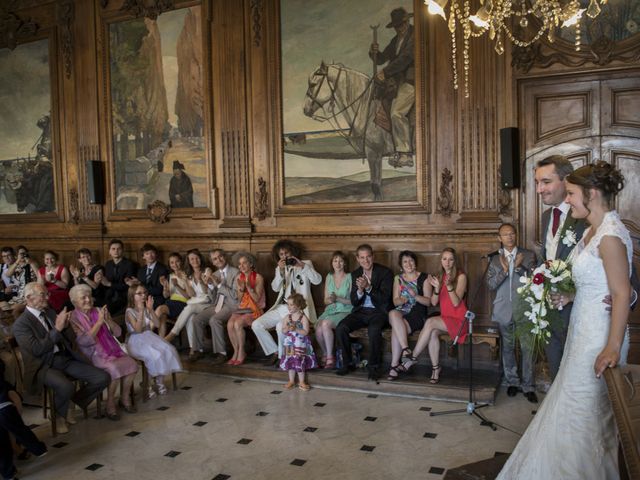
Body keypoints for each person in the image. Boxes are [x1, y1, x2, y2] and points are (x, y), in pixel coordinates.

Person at [497, 162, 634, 479]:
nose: (568, 199)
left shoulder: (611, 236)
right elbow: (592, 278)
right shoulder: (591, 230)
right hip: (580, 330)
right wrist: (572, 296)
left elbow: (623, 293)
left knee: (586, 411)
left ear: (593, 193)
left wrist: (612, 347)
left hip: (599, 337)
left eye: (572, 193)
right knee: (572, 408)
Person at [12, 282, 110, 434]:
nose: (47, 297)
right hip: (44, 365)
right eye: (43, 294)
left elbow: (68, 339)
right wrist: (57, 329)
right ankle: (58, 415)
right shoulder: (21, 324)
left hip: (64, 357)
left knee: (102, 377)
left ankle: (71, 401)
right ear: (29, 298)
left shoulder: (50, 312)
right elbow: (37, 350)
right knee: (66, 386)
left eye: (47, 294)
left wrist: (66, 326)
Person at [534, 155, 587, 381]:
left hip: (579, 316)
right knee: (557, 378)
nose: (539, 189)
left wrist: (572, 295)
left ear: (566, 181)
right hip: (551, 314)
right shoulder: (547, 217)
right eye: (537, 183)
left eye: (545, 182)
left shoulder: (587, 217)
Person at [68, 285, 138, 420]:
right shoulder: (73, 318)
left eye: (89, 296)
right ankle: (110, 404)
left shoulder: (99, 310)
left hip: (111, 350)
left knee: (132, 365)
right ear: (74, 301)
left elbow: (118, 333)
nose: (88, 300)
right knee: (114, 369)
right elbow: (85, 342)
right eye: (83, 298)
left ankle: (124, 399)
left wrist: (109, 321)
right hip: (90, 353)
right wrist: (99, 323)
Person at [485, 224, 538, 403]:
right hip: (503, 310)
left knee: (527, 349)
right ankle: (512, 382)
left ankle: (528, 385)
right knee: (507, 348)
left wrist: (517, 267)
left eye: (512, 233)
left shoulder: (529, 255)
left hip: (525, 310)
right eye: (505, 234)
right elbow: (491, 285)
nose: (510, 237)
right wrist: (506, 269)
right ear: (499, 238)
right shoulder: (493, 259)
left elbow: (534, 281)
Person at [251, 240, 322, 366]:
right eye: (281, 254)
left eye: (286, 253)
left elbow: (317, 280)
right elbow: (275, 288)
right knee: (256, 324)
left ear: (292, 252)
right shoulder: (280, 268)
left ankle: (283, 358)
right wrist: (281, 272)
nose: (284, 256)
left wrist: (303, 267)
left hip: (298, 309)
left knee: (280, 327)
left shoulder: (305, 264)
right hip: (282, 306)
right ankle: (275, 352)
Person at [404, 248, 468, 384]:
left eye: (451, 259)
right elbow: (433, 302)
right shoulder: (439, 277)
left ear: (455, 261)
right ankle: (435, 368)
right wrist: (438, 289)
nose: (447, 262)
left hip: (459, 320)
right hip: (445, 319)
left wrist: (449, 286)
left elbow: (456, 303)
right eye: (444, 259)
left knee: (431, 322)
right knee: (432, 332)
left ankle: (413, 357)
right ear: (441, 261)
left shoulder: (461, 276)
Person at [335, 244, 393, 380]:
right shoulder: (355, 274)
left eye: (368, 257)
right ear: (357, 258)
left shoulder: (385, 272)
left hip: (379, 312)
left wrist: (368, 287)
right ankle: (348, 363)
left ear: (373, 257)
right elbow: (354, 301)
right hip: (360, 311)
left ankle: (374, 367)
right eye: (362, 257)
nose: (365, 261)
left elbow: (384, 299)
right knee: (341, 327)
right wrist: (360, 291)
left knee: (374, 330)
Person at [369, 7, 415, 168]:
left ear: (407, 21)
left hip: (412, 81)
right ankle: (392, 147)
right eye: (396, 26)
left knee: (396, 112)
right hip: (398, 82)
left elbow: (405, 58)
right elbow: (382, 59)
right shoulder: (395, 40)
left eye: (401, 24)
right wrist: (374, 52)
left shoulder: (415, 36)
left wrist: (385, 72)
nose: (399, 28)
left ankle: (406, 154)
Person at [125, 285, 182, 397]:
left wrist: (150, 310)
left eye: (144, 292)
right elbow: (137, 329)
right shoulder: (129, 311)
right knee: (154, 355)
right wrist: (141, 312)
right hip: (136, 339)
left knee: (168, 349)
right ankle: (147, 384)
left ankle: (159, 382)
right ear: (132, 296)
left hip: (149, 336)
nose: (143, 295)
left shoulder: (146, 308)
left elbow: (156, 324)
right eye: (139, 293)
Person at [386, 250, 430, 381]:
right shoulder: (397, 279)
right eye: (405, 261)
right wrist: (401, 300)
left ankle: (394, 365)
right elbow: (395, 301)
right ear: (401, 265)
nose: (408, 264)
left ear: (415, 263)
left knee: (396, 328)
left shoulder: (425, 278)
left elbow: (428, 302)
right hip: (402, 311)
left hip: (417, 313)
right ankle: (406, 350)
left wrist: (414, 295)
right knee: (392, 313)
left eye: (411, 260)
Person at [1, 358, 47, 480]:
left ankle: (8, 474)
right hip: (5, 406)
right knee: (19, 430)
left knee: (2, 445)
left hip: (5, 404)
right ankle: (38, 449)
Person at [191, 249, 240, 364]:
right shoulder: (215, 274)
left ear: (225, 257)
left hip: (232, 305)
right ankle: (198, 349)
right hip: (218, 304)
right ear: (212, 262)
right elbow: (213, 298)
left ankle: (221, 353)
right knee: (197, 319)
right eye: (215, 259)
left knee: (214, 319)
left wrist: (218, 284)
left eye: (220, 257)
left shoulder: (236, 272)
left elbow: (234, 296)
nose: (218, 260)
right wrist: (209, 285)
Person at [164, 249, 211, 362]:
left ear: (201, 258)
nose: (195, 261)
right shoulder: (189, 275)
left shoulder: (207, 270)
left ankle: (172, 334)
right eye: (192, 259)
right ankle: (194, 350)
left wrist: (200, 280)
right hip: (195, 302)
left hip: (207, 302)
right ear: (189, 261)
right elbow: (191, 295)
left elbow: (206, 292)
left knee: (190, 307)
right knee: (190, 317)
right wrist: (185, 281)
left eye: (197, 258)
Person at [226, 252, 265, 365]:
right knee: (230, 324)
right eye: (239, 264)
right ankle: (236, 351)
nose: (241, 266)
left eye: (244, 263)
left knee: (238, 323)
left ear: (251, 264)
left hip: (255, 309)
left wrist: (248, 287)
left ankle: (242, 352)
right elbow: (239, 298)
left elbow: (257, 299)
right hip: (242, 309)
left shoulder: (258, 277)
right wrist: (241, 289)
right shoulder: (239, 277)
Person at [314, 251, 352, 369]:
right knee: (318, 328)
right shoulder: (329, 277)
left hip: (345, 310)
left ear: (345, 263)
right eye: (335, 261)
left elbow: (353, 302)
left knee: (325, 324)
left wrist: (338, 299)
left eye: (341, 260)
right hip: (330, 310)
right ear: (332, 263)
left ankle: (330, 357)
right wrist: (330, 300)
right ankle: (325, 352)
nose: (338, 263)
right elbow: (325, 300)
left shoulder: (350, 277)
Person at [280, 293, 317, 391]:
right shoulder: (287, 317)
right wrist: (287, 328)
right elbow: (283, 330)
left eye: (291, 305)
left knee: (300, 362)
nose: (289, 307)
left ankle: (301, 381)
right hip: (289, 344)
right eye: (288, 304)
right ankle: (291, 381)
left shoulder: (303, 318)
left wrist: (296, 329)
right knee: (291, 362)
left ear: (299, 306)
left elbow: (306, 332)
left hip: (300, 344)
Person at [135, 243, 169, 336]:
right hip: (142, 299)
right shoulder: (141, 270)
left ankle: (143, 336)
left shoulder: (162, 269)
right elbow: (139, 288)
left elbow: (159, 290)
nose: (150, 255)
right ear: (143, 257)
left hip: (157, 299)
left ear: (156, 254)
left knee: (162, 315)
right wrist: (135, 285)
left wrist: (141, 285)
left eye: (152, 253)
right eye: (147, 253)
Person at [102, 239, 138, 315]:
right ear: (109, 251)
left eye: (119, 249)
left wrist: (110, 284)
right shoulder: (108, 264)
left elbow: (128, 286)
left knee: (107, 313)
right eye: (113, 249)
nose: (116, 251)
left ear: (122, 251)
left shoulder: (129, 264)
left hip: (123, 297)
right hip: (109, 297)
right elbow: (105, 283)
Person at [160, 252, 190, 322]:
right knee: (162, 317)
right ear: (169, 264)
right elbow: (165, 296)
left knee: (160, 309)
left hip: (183, 303)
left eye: (177, 261)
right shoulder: (170, 276)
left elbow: (188, 297)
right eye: (172, 262)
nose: (175, 265)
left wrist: (177, 285)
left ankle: (145, 331)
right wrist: (165, 287)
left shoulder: (186, 275)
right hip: (171, 302)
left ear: (181, 262)